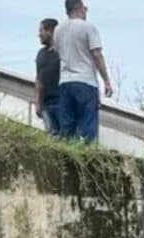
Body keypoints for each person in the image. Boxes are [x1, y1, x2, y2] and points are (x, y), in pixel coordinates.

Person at [54, 0, 113, 142]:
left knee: (67, 127)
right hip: (85, 81)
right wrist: (106, 81)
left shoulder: (58, 30)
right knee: (88, 126)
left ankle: (67, 156)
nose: (86, 11)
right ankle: (89, 156)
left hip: (65, 81)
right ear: (79, 8)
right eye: (85, 8)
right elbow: (97, 54)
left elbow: (58, 53)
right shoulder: (88, 28)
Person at [34, 18, 61, 136]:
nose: (39, 34)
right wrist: (37, 102)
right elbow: (38, 79)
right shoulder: (41, 54)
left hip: (61, 101)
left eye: (41, 31)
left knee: (65, 135)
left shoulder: (62, 51)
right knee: (50, 134)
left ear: (50, 31)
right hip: (46, 103)